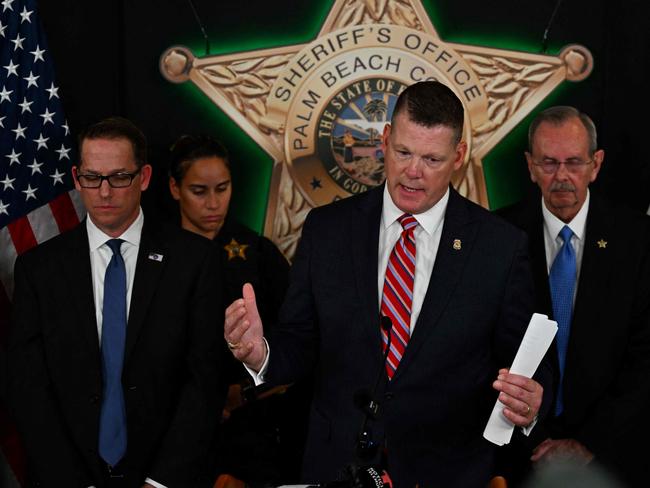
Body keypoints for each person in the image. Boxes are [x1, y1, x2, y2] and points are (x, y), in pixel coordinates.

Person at [225, 81, 551, 488]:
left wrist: (531, 402)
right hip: (337, 466)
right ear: (384, 140)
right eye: (403, 153)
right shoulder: (328, 230)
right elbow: (299, 339)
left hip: (446, 470)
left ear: (459, 157)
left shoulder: (499, 246)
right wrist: (261, 355)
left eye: (432, 158)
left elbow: (525, 364)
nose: (413, 172)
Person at [7, 117, 225, 488]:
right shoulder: (38, 269)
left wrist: (160, 481)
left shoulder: (196, 261)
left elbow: (205, 381)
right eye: (92, 178)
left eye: (119, 177)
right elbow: (29, 388)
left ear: (144, 177)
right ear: (77, 178)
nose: (104, 192)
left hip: (165, 478)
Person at [497, 106, 650, 487]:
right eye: (548, 163)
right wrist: (532, 430)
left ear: (596, 164)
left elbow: (646, 357)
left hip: (613, 455)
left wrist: (588, 443)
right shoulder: (496, 236)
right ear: (530, 166)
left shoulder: (639, 239)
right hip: (516, 454)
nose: (562, 176)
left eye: (574, 162)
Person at [168, 135, 307, 485]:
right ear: (174, 188)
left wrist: (242, 391)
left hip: (254, 430)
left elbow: (299, 343)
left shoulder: (258, 254)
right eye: (199, 191)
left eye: (223, 188)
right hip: (172, 429)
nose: (213, 203)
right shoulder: (156, 256)